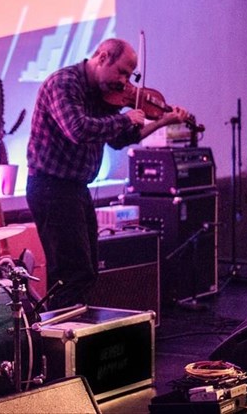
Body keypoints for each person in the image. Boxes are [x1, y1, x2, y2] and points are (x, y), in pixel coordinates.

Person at [26, 38, 188, 310]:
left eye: (129, 75)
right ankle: (60, 331)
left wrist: (162, 121)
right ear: (102, 58)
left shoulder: (101, 93)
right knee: (71, 272)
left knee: (87, 270)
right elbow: (78, 130)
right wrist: (125, 118)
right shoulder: (64, 84)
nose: (124, 82)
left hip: (75, 188)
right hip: (51, 187)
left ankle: (68, 326)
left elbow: (120, 139)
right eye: (121, 72)